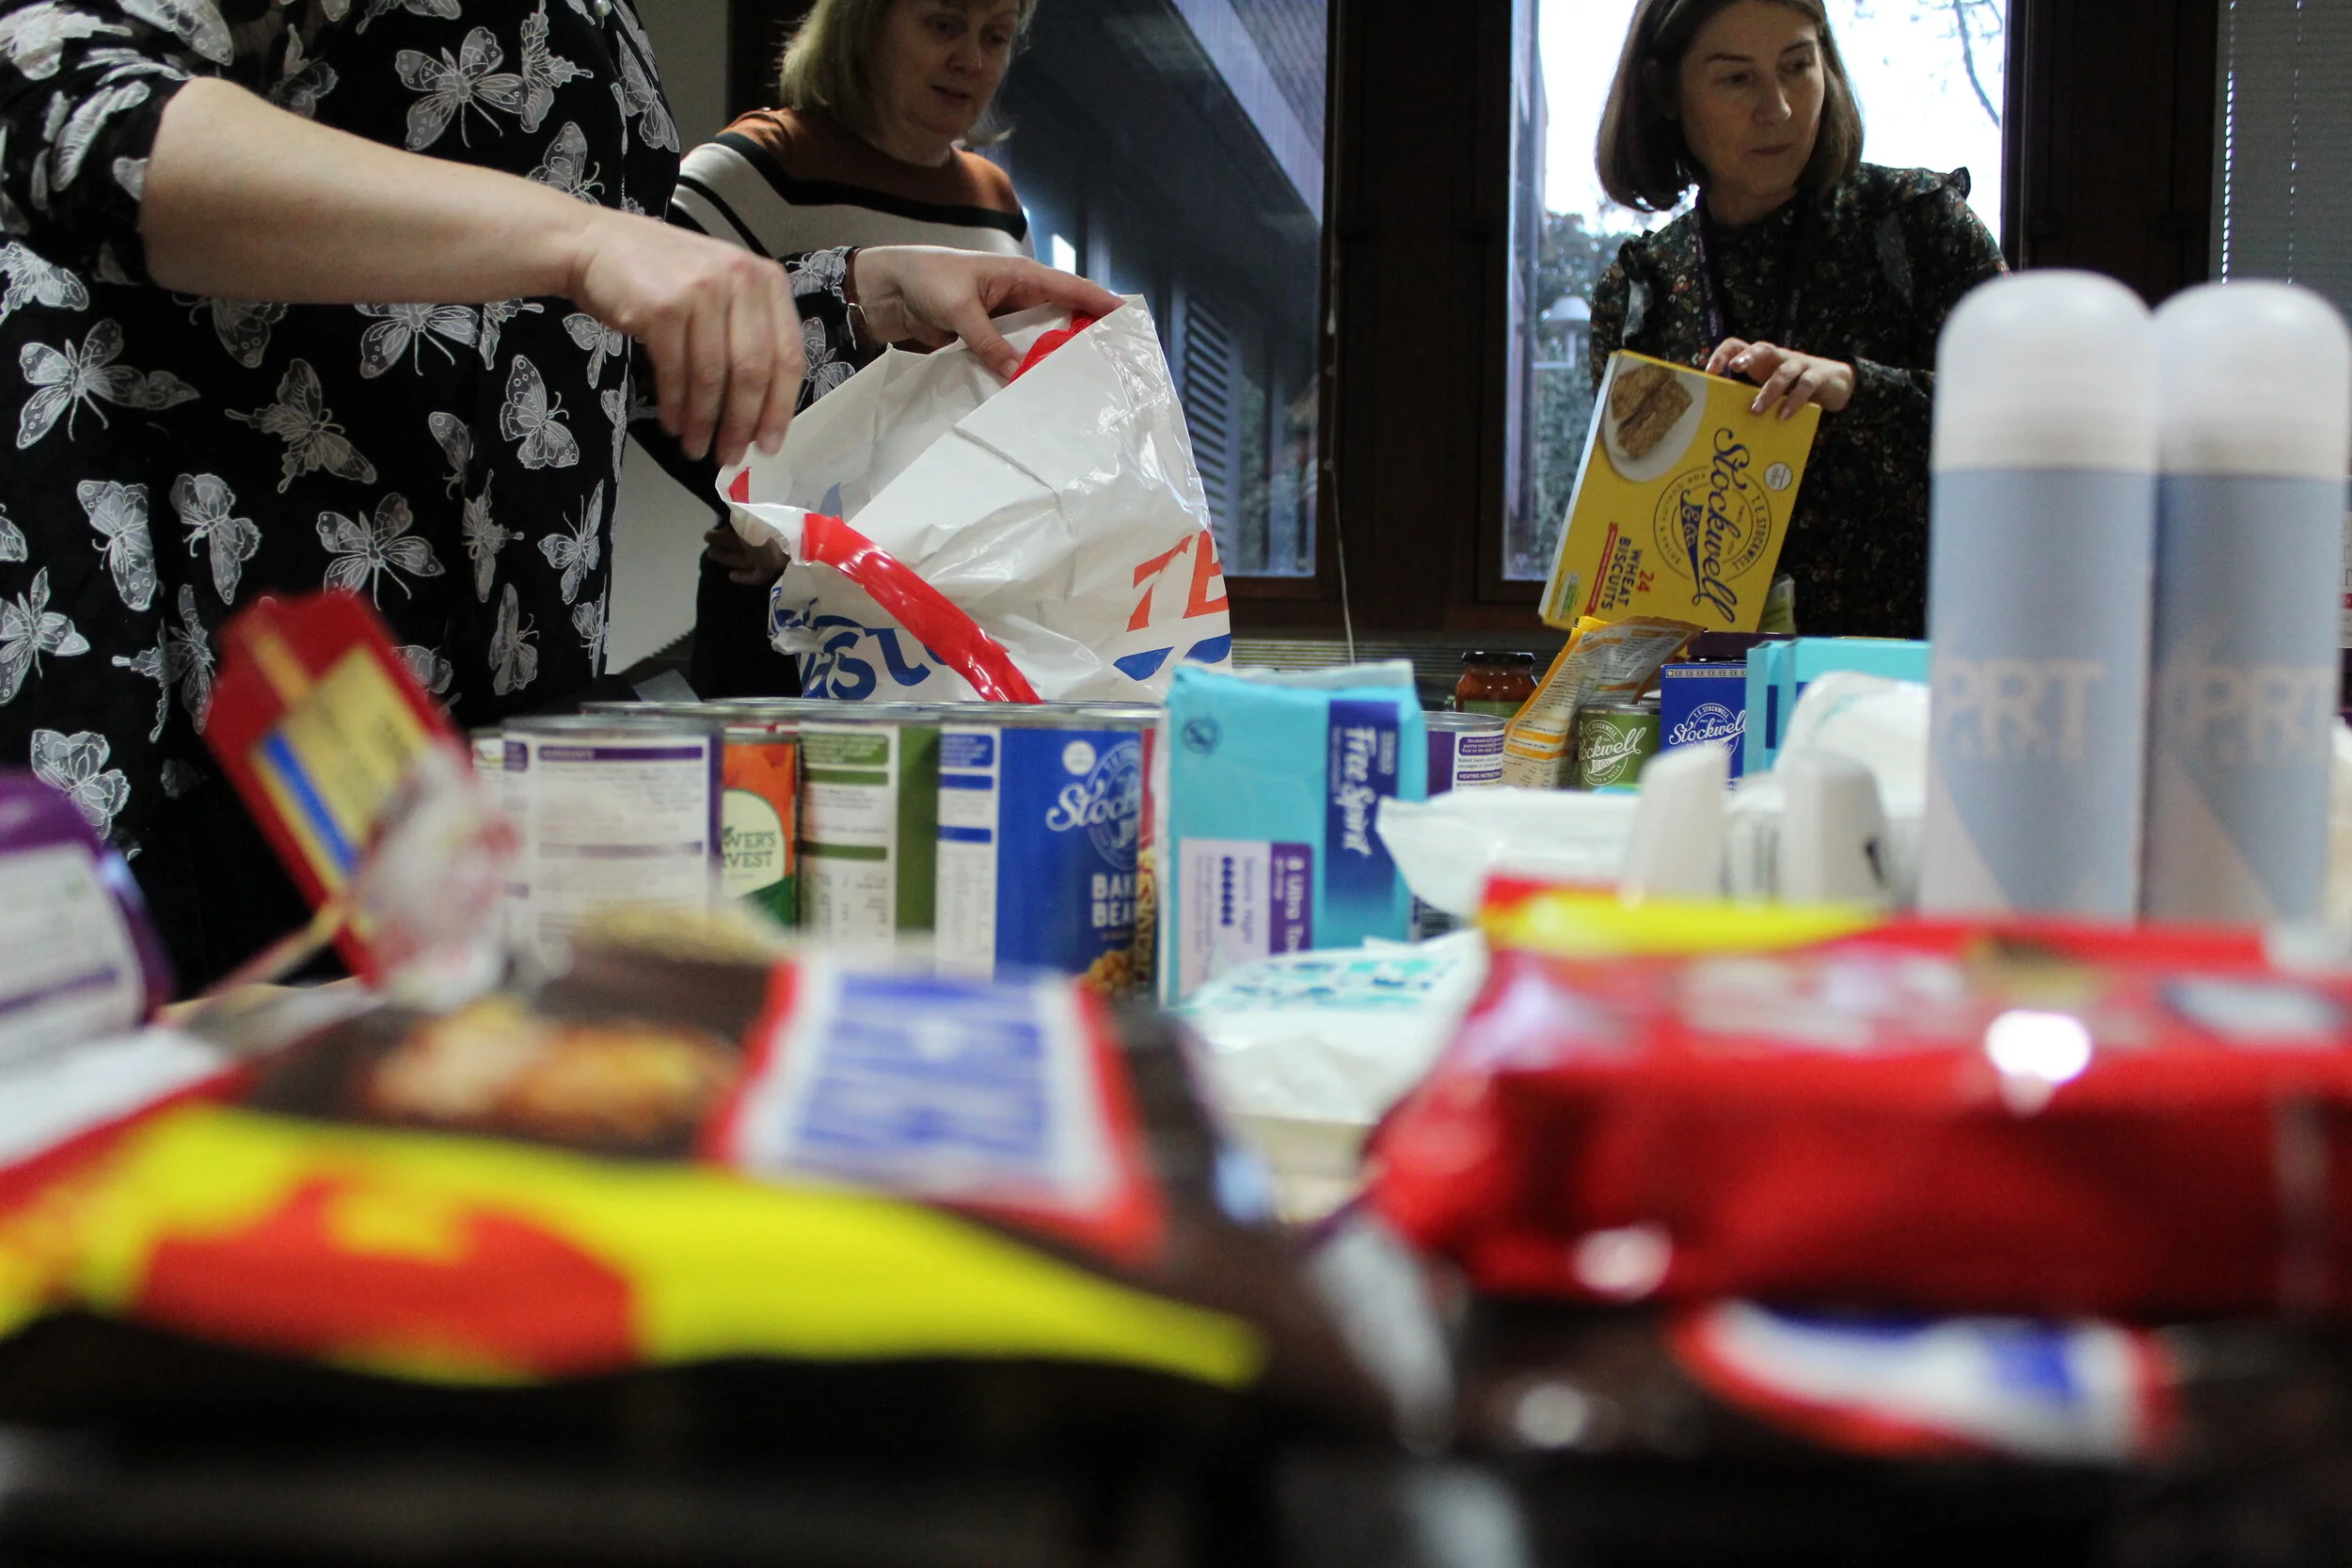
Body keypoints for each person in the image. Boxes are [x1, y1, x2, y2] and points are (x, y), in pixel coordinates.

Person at [0, 0, 1117, 988]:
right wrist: (584, 241)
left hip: (466, 736)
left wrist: (867, 294)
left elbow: (564, 338)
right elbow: (70, 102)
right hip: (228, 710)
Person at [1589, 0, 2005, 640]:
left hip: (1919, 685)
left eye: (1797, 66)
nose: (1778, 109)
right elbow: (1625, 535)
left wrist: (1852, 389)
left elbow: (2025, 438)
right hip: (1714, 692)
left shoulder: (1917, 225)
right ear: (1663, 92)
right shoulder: (1641, 290)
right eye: (1736, 78)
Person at [663, 0, 1037, 697]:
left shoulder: (996, 201)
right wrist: (764, 515)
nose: (973, 59)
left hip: (947, 605)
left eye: (996, 37)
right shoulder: (756, 167)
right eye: (943, 25)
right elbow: (645, 362)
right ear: (864, 24)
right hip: (778, 611)